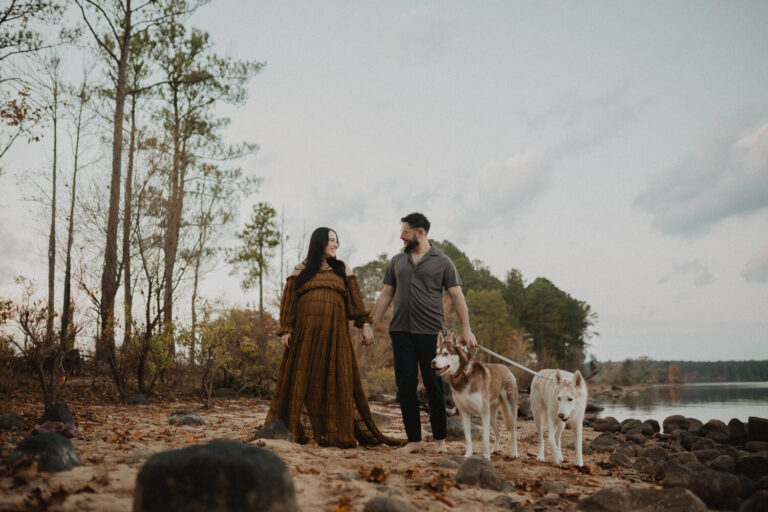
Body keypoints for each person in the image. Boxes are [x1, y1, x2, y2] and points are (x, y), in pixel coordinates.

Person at [265, 227, 402, 448]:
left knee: (336, 381)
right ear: (319, 242)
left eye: (337, 241)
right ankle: (301, 430)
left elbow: (355, 303)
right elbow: (289, 302)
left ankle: (333, 432)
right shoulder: (300, 269)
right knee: (304, 382)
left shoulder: (342, 269)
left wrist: (365, 325)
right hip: (305, 336)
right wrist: (287, 329)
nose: (336, 244)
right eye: (331, 240)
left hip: (335, 336)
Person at [363, 212, 477, 453]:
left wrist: (466, 329)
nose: (401, 236)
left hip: (431, 334)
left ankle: (439, 441)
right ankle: (414, 440)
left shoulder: (443, 261)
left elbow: (457, 295)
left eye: (405, 232)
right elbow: (385, 295)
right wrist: (370, 324)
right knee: (405, 385)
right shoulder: (396, 261)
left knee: (434, 386)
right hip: (400, 331)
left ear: (420, 232)